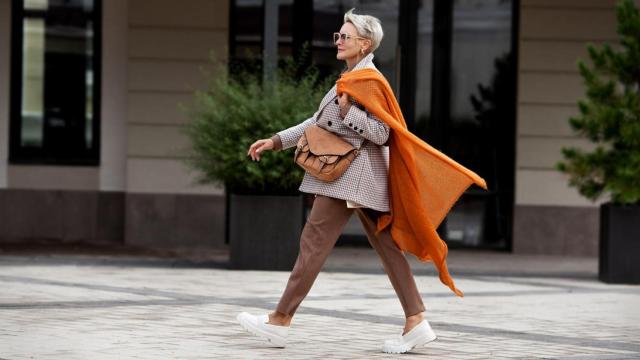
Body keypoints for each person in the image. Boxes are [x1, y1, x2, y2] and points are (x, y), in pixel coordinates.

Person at [236, 9, 437, 354]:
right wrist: (277, 141)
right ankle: (416, 319)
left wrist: (350, 113)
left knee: (313, 243)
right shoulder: (349, 79)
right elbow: (317, 123)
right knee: (388, 249)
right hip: (357, 180)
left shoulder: (370, 82)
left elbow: (383, 133)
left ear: (365, 43)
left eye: (345, 36)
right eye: (338, 36)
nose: (338, 41)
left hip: (347, 178)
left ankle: (280, 320)